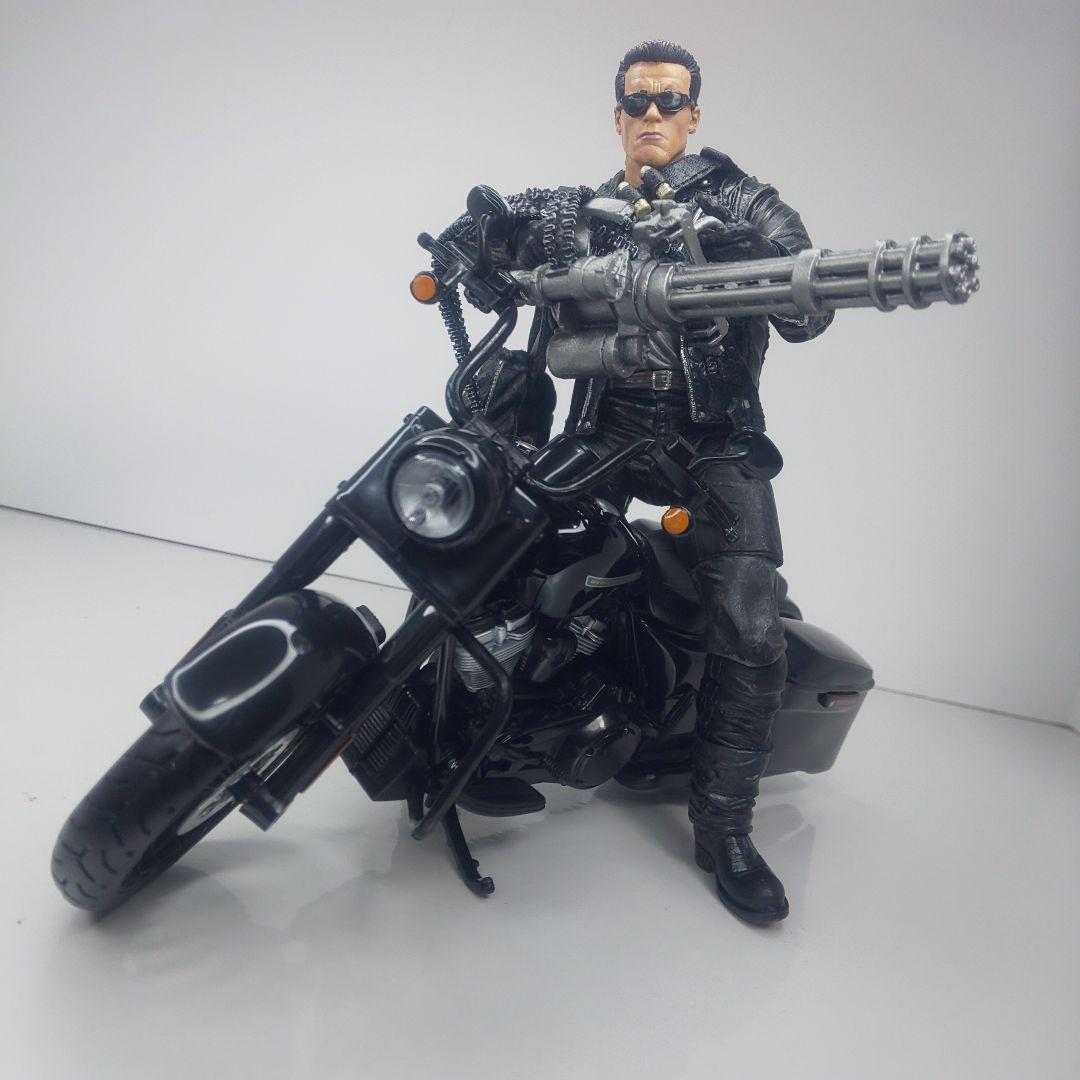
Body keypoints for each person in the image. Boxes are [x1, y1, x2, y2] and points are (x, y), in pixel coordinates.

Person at [455, 40, 832, 923]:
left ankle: (725, 829)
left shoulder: (743, 197)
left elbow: (807, 308)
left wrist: (733, 247)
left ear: (694, 114)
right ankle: (466, 739)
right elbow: (491, 281)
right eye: (637, 102)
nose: (653, 115)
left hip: (713, 438)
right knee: (492, 542)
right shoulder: (580, 213)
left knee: (750, 623)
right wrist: (484, 245)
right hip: (608, 428)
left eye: (670, 101)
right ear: (617, 115)